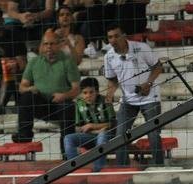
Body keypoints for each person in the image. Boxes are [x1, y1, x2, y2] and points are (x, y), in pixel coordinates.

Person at [103, 24, 164, 167]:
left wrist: (148, 84)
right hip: (128, 99)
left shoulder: (141, 47)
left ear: (124, 36)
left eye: (116, 36)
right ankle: (122, 169)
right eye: (110, 37)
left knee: (153, 134)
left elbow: (158, 66)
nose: (113, 39)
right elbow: (112, 79)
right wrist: (110, 93)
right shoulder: (108, 56)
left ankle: (160, 167)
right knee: (120, 135)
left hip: (150, 97)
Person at [11, 29, 80, 154]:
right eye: (46, 44)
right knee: (26, 97)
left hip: (60, 105)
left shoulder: (68, 62)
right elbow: (22, 87)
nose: (49, 47)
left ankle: (67, 150)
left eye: (52, 44)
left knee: (68, 106)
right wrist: (30, 88)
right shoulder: (34, 62)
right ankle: (24, 138)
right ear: (41, 46)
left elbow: (76, 89)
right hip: (41, 104)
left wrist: (64, 95)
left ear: (59, 45)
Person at [63, 76, 115, 170]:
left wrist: (91, 126)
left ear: (97, 92)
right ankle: (75, 169)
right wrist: (98, 130)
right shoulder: (79, 104)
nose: (88, 95)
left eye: (91, 92)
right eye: (85, 93)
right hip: (90, 136)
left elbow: (113, 124)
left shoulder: (106, 101)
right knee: (68, 138)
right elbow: (78, 128)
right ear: (81, 94)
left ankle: (98, 170)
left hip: (107, 136)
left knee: (102, 136)